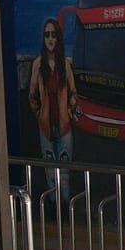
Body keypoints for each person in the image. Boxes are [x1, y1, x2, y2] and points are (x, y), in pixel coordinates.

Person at [27, 17, 76, 200]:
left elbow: (73, 93)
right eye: (47, 35)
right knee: (50, 173)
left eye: (53, 35)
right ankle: (53, 209)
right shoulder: (38, 65)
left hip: (64, 126)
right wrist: (40, 115)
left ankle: (65, 209)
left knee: (64, 172)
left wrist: (69, 112)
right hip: (46, 127)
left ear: (58, 38)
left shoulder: (65, 65)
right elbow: (32, 96)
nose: (50, 39)